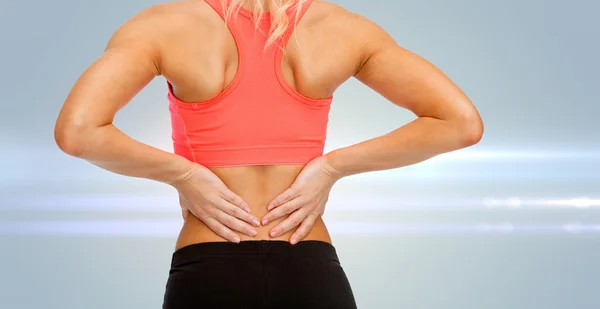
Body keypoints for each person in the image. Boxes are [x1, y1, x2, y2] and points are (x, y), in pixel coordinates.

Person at [54, 0, 484, 308]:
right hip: (309, 266)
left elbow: (77, 132)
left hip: (209, 266)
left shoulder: (164, 24)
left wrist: (184, 175)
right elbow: (460, 123)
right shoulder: (343, 27)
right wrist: (331, 167)